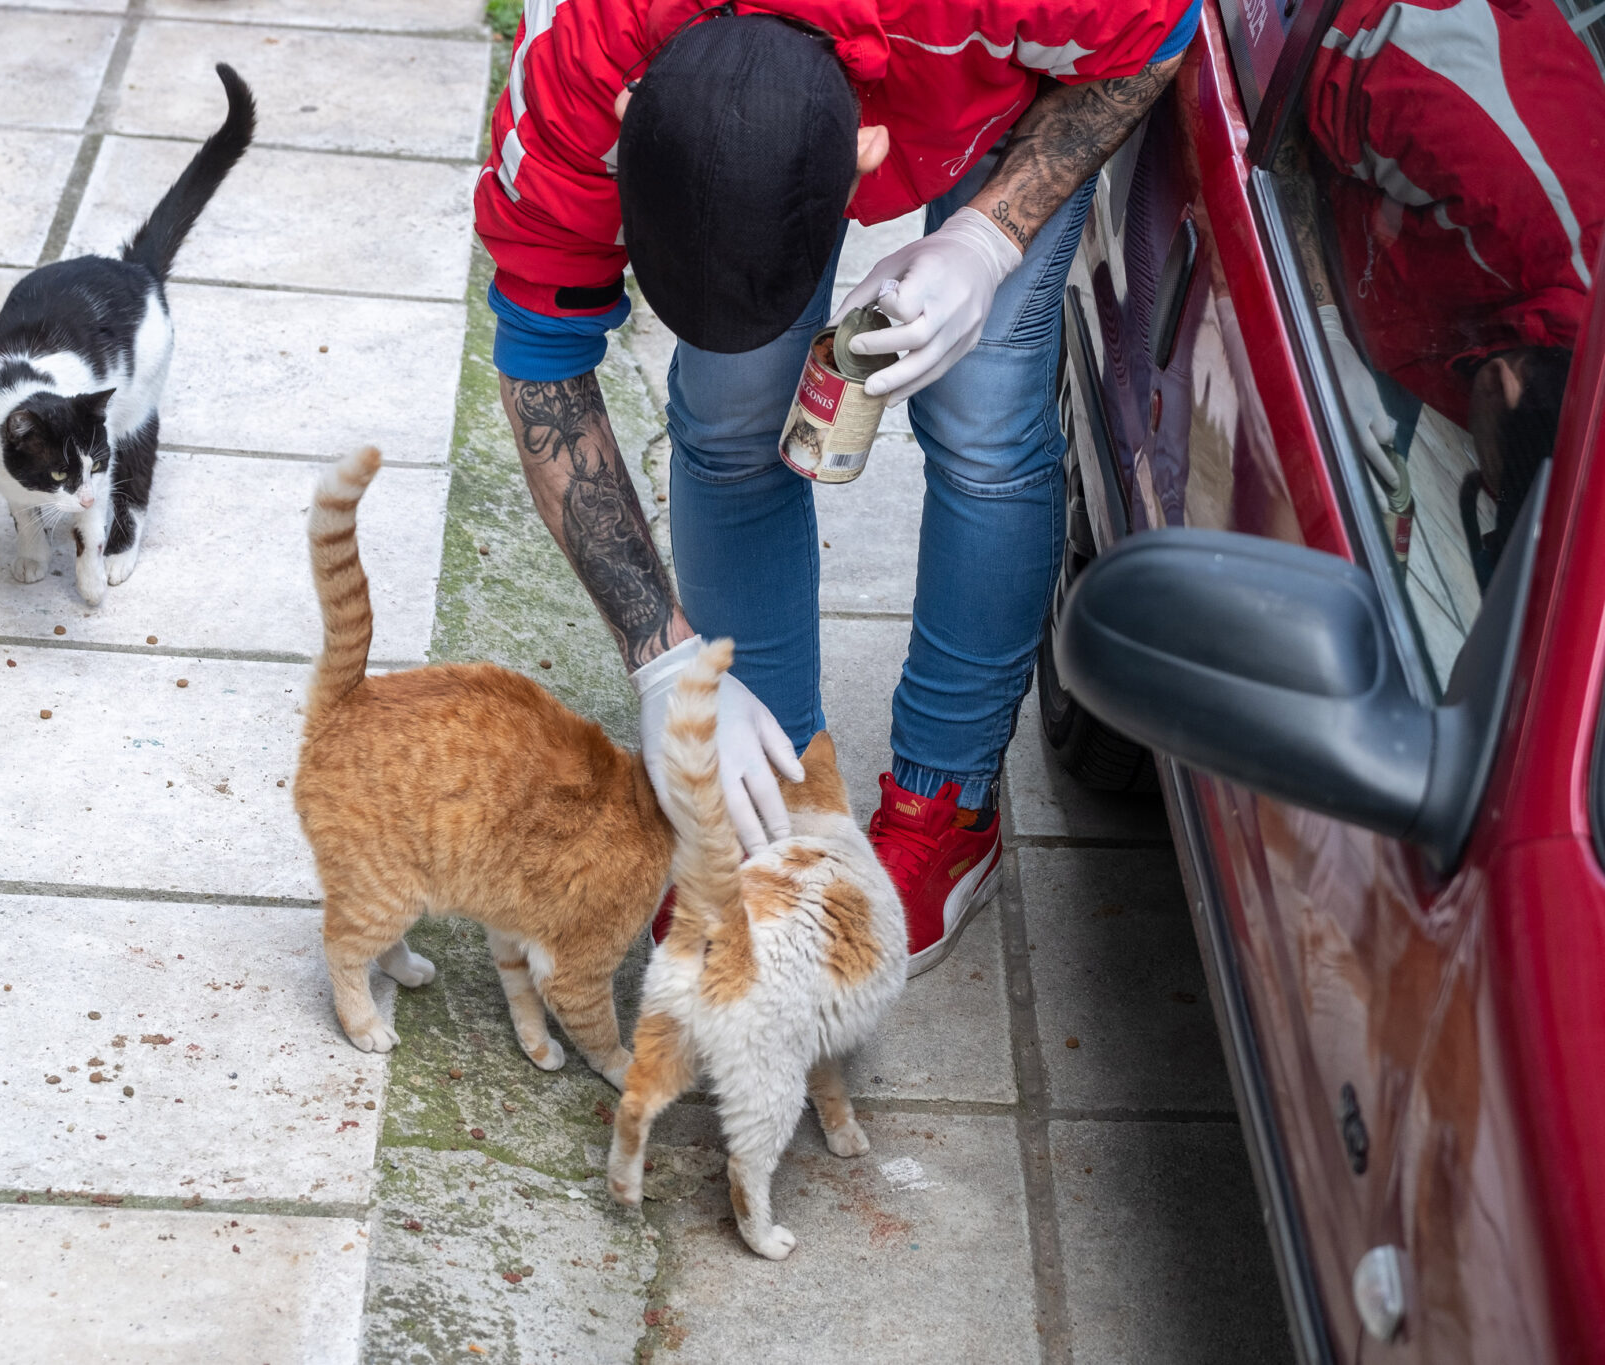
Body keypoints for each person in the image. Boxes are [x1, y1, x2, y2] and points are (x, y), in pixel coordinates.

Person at [477, 0, 1200, 974]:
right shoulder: (578, 68)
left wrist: (986, 239)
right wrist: (663, 663)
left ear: (868, 153)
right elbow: (539, 366)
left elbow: (1153, 41)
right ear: (626, 122)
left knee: (979, 411)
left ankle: (947, 806)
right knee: (731, 410)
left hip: (994, 62)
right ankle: (773, 802)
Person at [1294, 0, 1602, 590]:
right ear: (1502, 384)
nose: (1484, 485)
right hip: (1336, 132)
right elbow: (1269, 72)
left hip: (1408, 317)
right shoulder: (1500, 170)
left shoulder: (1552, 382)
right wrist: (1324, 320)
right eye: (1492, 481)